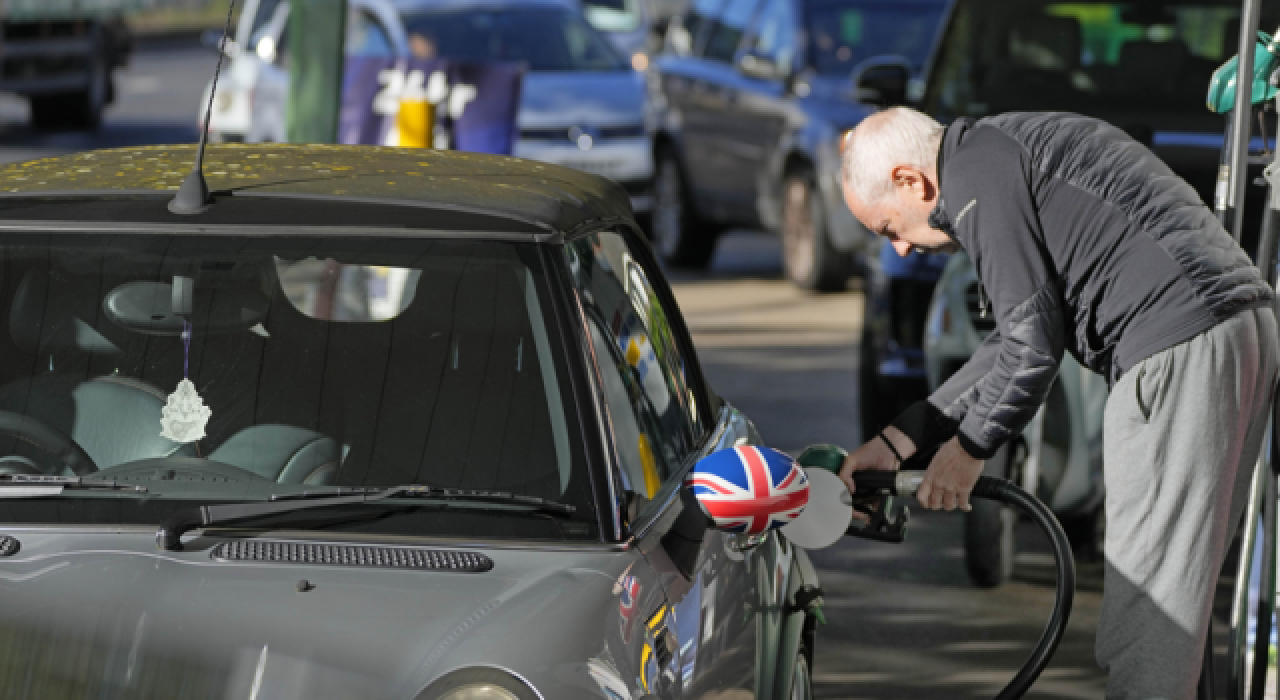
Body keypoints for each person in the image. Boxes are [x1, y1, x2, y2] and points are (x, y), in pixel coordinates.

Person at [838, 107, 1278, 699]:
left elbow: (1030, 348)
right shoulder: (998, 151)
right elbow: (1013, 340)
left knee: (1149, 619)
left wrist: (969, 450)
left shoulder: (976, 179)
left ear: (912, 181)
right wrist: (904, 438)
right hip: (1240, 329)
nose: (900, 252)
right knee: (1178, 602)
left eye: (889, 229)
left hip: (1176, 347)